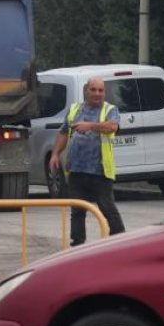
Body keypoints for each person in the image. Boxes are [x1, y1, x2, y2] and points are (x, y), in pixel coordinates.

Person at [48, 77, 126, 246]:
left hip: (100, 171)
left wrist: (89, 125)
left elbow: (112, 127)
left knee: (108, 209)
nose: (98, 94)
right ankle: (77, 245)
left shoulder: (110, 109)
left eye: (101, 90)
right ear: (85, 91)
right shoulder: (75, 109)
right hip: (76, 170)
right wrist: (55, 154)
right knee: (77, 211)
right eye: (94, 90)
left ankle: (120, 243)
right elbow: (63, 133)